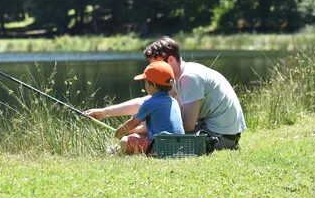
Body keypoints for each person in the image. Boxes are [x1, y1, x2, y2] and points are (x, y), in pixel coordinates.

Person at [86, 36, 246, 150]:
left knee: (147, 140)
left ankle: (124, 147)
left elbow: (187, 127)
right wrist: (104, 112)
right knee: (145, 137)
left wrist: (137, 128)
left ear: (170, 60)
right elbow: (148, 102)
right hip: (211, 131)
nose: (152, 70)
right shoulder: (177, 77)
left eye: (156, 64)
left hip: (221, 138)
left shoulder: (189, 78)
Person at [113, 61, 184, 154]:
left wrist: (120, 131)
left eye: (145, 82)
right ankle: (118, 150)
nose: (145, 85)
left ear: (153, 84)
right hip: (181, 146)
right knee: (136, 136)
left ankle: (117, 151)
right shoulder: (173, 102)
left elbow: (133, 123)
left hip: (161, 148)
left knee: (124, 141)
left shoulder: (149, 103)